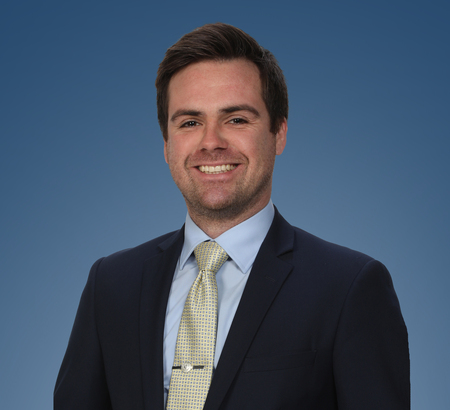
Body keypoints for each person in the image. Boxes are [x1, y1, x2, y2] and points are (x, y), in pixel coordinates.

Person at [54, 23, 410, 409]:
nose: (211, 142)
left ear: (279, 133)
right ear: (167, 145)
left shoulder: (349, 287)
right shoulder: (111, 285)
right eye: (190, 122)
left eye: (236, 119)